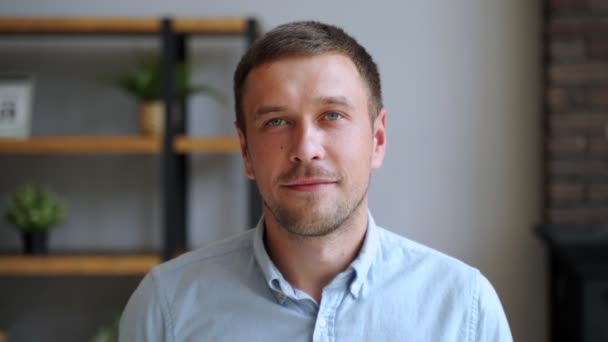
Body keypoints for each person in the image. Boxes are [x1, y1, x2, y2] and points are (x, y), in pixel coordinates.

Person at [119, 21, 513, 341]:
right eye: (276, 122)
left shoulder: (464, 308)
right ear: (245, 151)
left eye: (332, 116)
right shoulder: (166, 307)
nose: (306, 148)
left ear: (377, 139)